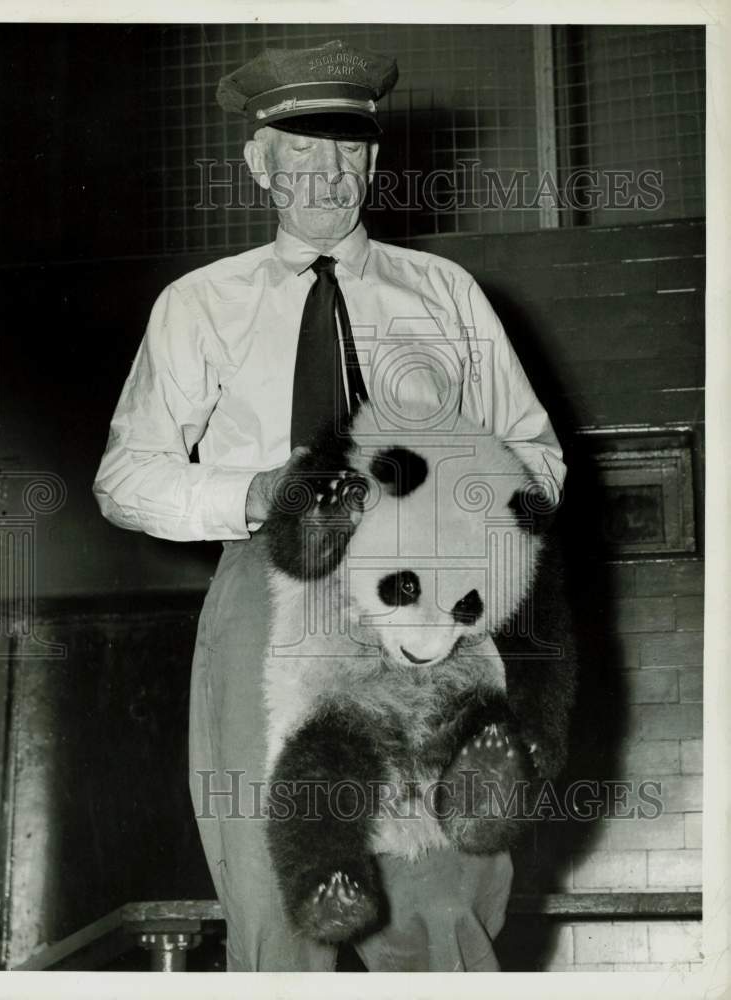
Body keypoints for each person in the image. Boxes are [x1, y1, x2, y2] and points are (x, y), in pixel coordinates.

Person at [93, 38, 566, 972]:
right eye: (302, 151)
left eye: (348, 151)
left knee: (443, 903)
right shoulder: (199, 305)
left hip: (430, 597)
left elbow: (538, 458)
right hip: (267, 589)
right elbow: (124, 479)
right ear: (260, 164)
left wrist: (457, 507)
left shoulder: (447, 294)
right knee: (280, 896)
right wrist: (253, 493)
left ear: (375, 161)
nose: (328, 174)